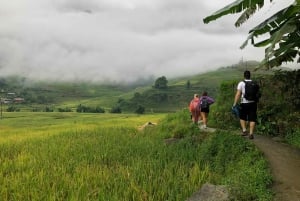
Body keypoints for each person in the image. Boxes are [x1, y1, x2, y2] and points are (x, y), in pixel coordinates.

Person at [233, 70, 258, 139]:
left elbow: (238, 94)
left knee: (242, 117)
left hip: (244, 103)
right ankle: (251, 133)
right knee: (252, 118)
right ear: (250, 76)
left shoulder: (241, 83)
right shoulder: (254, 83)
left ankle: (244, 131)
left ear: (244, 76)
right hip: (253, 103)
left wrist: (235, 103)